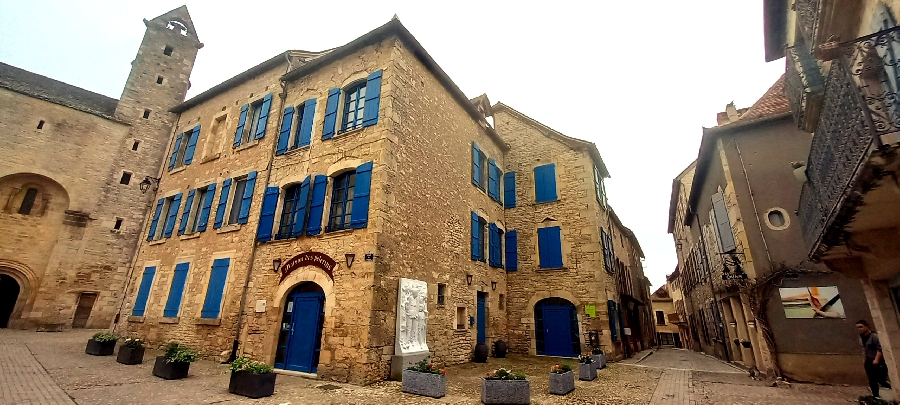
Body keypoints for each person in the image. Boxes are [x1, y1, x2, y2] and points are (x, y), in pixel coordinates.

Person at [857, 319, 892, 397]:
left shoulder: (874, 336)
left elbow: (880, 349)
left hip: (877, 361)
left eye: (861, 327)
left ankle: (893, 389)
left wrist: (876, 360)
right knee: (872, 380)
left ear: (867, 326)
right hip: (868, 361)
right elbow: (863, 349)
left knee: (881, 380)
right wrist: (864, 359)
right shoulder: (861, 337)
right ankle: (875, 395)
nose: (859, 329)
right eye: (858, 327)